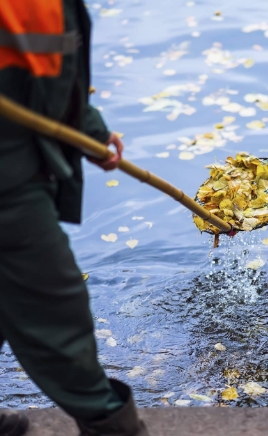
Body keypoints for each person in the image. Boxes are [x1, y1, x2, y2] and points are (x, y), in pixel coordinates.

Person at [0, 1, 149, 435]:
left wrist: (91, 131)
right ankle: (111, 425)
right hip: (8, 187)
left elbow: (37, 76)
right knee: (59, 314)